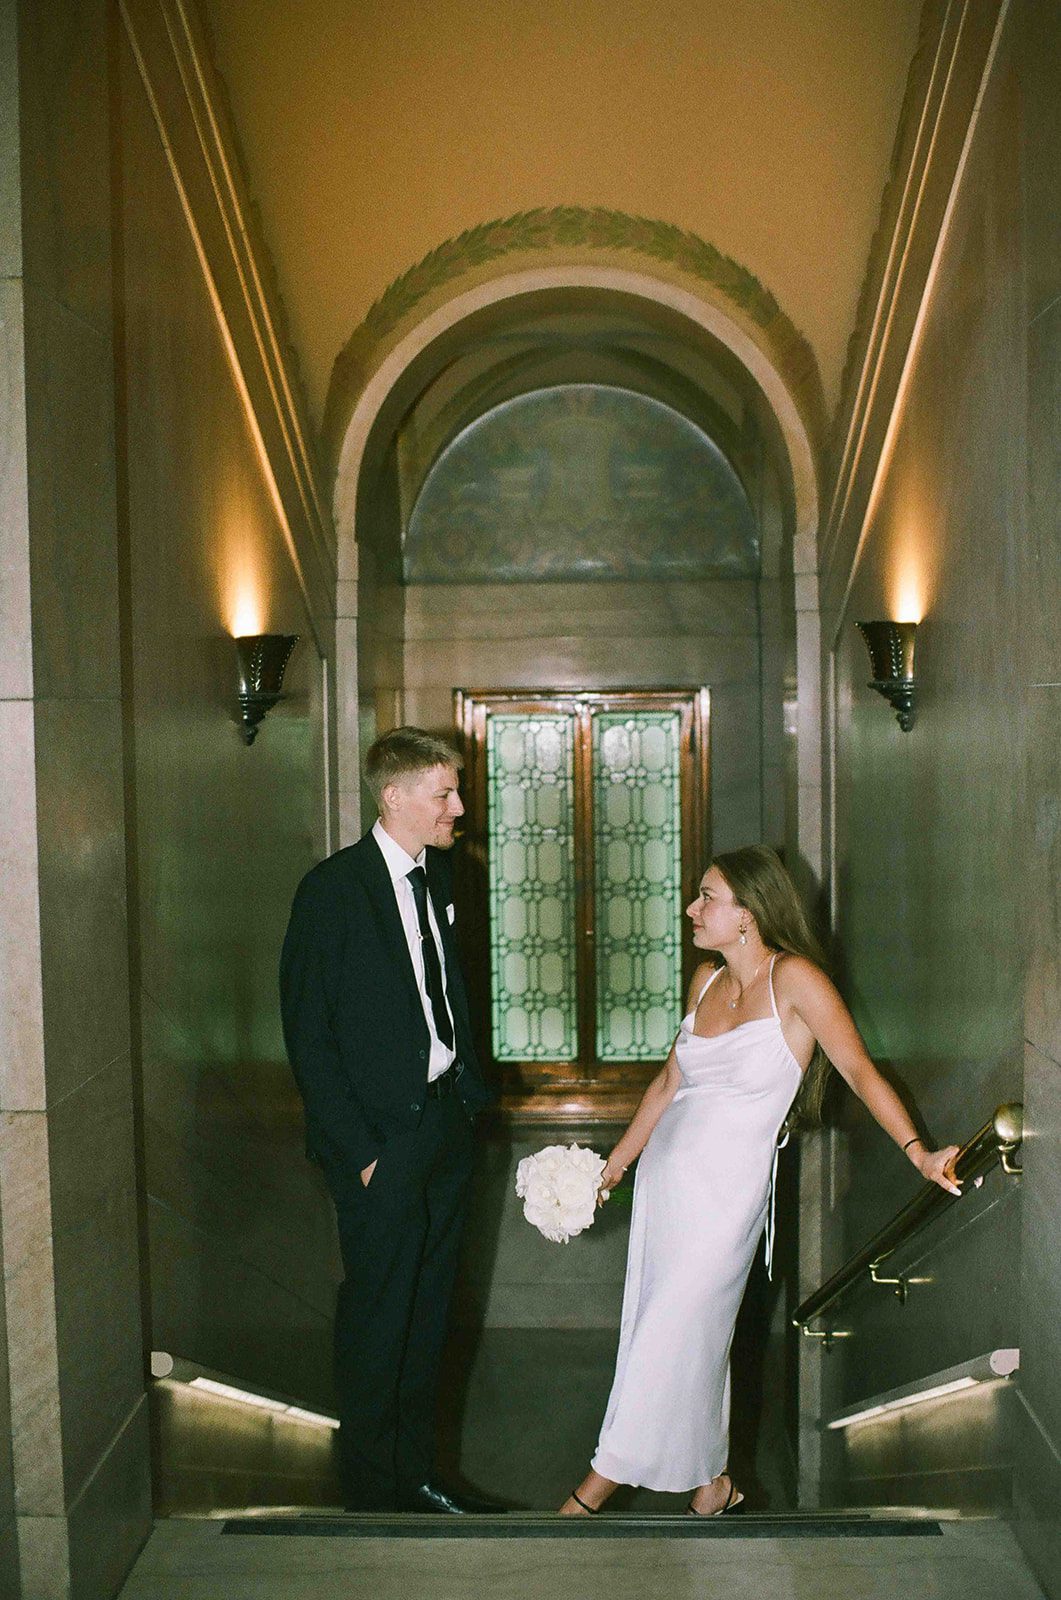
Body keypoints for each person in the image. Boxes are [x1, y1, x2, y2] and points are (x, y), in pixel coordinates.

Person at [560, 845, 960, 1518]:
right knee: (671, 1332)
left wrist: (918, 1153)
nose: (692, 908)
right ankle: (712, 1482)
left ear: (748, 913)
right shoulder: (704, 982)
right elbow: (667, 1085)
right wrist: (615, 1167)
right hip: (667, 1189)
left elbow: (859, 1071)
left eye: (706, 897)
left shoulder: (795, 980)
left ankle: (592, 1490)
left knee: (670, 1330)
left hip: (725, 1199)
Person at [280, 727, 500, 1514]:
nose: (459, 808)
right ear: (394, 797)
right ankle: (373, 1492)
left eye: (456, 791)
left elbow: (445, 998)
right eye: (443, 794)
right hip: (383, 1145)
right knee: (380, 1318)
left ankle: (419, 1474)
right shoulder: (333, 890)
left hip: (443, 1126)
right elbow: (309, 1034)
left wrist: (467, 1095)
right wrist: (362, 1152)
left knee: (429, 1312)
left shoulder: (440, 878)